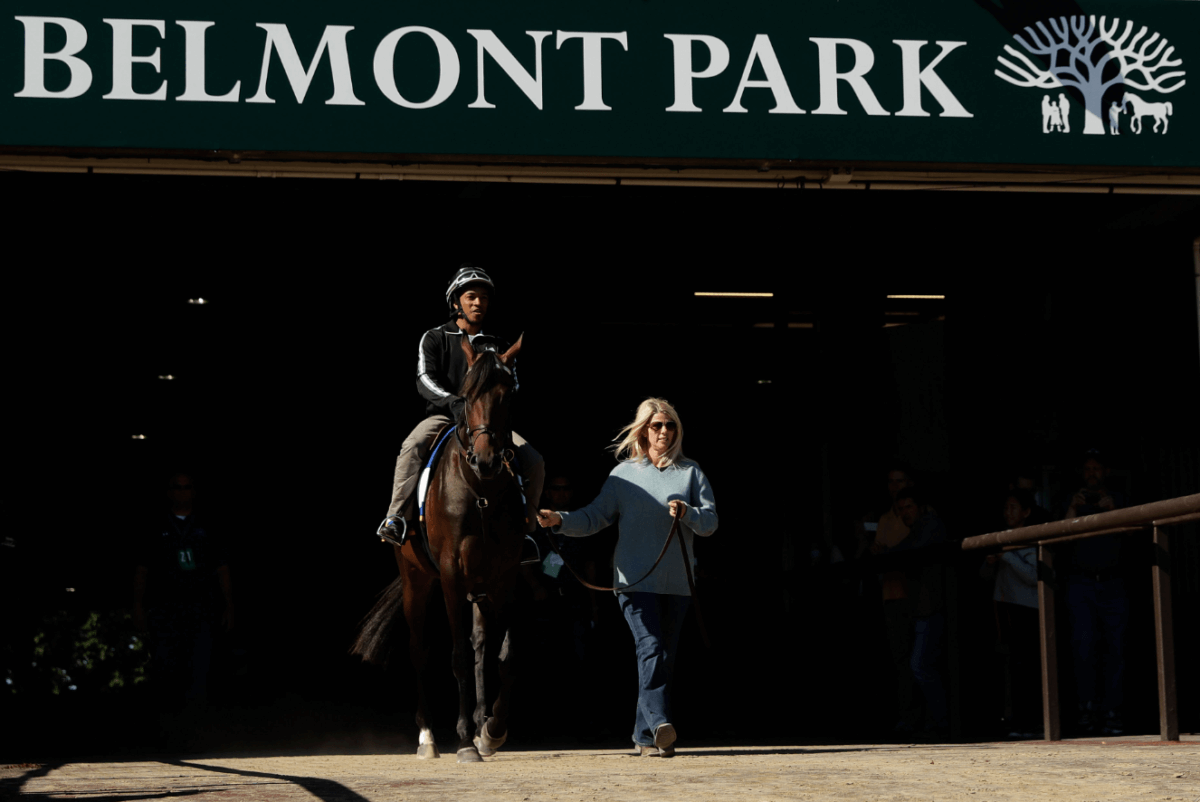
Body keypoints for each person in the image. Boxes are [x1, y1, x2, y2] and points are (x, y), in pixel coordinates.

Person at [536, 398, 717, 757]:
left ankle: (644, 736)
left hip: (679, 583)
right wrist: (561, 519)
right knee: (650, 648)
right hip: (634, 582)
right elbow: (595, 517)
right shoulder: (622, 475)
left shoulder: (691, 473)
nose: (664, 431)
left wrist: (689, 512)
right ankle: (661, 722)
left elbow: (710, 523)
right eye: (657, 425)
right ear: (643, 430)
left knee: (663, 658)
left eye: (670, 426)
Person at [378, 265, 544, 544]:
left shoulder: (498, 344)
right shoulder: (435, 337)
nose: (478, 302)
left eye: (484, 298)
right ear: (456, 302)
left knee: (535, 462)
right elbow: (424, 379)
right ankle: (395, 518)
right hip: (444, 417)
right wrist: (455, 403)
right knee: (413, 446)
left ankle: (526, 531)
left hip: (486, 422)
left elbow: (513, 386)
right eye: (471, 296)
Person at [133, 472, 233, 722]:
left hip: (200, 608)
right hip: (166, 609)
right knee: (166, 668)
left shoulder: (208, 525)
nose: (181, 492)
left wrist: (229, 605)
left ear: (193, 492)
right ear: (169, 492)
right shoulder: (155, 526)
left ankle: (197, 727)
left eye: (186, 487)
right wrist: (138, 606)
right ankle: (167, 725)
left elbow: (222, 568)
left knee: (200, 669)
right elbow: (142, 570)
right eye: (176, 488)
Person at [1061, 449, 1127, 736]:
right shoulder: (1071, 502)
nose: (1091, 473)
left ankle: (1113, 711)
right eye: (1086, 469)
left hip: (1113, 582)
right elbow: (1057, 539)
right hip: (1081, 582)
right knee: (1083, 647)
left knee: (1117, 647)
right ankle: (1086, 709)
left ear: (1105, 472)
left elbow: (1135, 537)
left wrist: (1113, 512)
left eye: (1096, 468)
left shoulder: (1118, 501)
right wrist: (1072, 511)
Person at [882, 486, 948, 739]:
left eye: (909, 507)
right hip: (922, 609)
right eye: (901, 509)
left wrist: (886, 553)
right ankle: (934, 722)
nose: (905, 513)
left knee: (921, 665)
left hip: (932, 609)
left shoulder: (929, 525)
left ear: (920, 507)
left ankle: (941, 723)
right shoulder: (918, 530)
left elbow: (910, 550)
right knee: (921, 666)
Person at [981, 488, 1041, 738]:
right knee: (1008, 665)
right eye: (1006, 508)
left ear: (1026, 512)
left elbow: (1034, 576)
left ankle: (1033, 721)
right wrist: (989, 562)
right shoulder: (999, 537)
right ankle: (1012, 719)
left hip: (1028, 610)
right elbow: (983, 577)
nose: (1008, 512)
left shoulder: (1034, 537)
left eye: (1014, 507)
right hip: (1004, 609)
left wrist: (1008, 556)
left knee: (1029, 666)